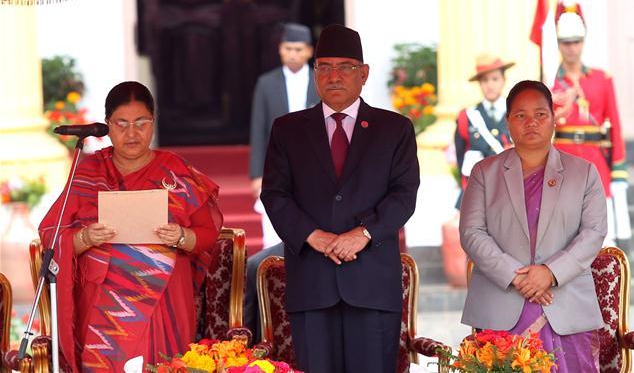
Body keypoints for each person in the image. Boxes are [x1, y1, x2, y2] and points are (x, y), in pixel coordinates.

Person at [260, 24, 419, 373]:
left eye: (345, 67)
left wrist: (363, 233)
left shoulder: (394, 129)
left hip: (372, 283)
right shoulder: (288, 129)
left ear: (364, 74)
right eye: (325, 67)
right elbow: (274, 194)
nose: (334, 76)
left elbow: (404, 194)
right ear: (315, 73)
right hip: (313, 281)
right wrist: (312, 235)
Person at [38, 81, 223, 371]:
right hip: (104, 307)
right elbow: (51, 234)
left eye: (141, 123)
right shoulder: (89, 172)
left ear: (153, 123)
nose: (132, 133)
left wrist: (181, 236)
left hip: (164, 299)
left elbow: (208, 235)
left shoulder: (176, 171)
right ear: (107, 125)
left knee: (163, 365)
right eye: (121, 124)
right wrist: (85, 238)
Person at [460, 80, 607, 372]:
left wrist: (550, 272)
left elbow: (593, 233)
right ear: (508, 122)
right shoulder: (485, 173)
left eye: (540, 114)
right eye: (520, 115)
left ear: (554, 118)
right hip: (500, 305)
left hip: (565, 305)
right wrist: (518, 278)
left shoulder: (584, 173)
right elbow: (471, 233)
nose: (531, 122)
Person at [244, 23, 319, 339]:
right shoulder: (267, 83)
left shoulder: (321, 81)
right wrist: (256, 174)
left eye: (299, 49)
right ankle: (270, 295)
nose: (293, 54)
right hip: (277, 168)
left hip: (314, 170)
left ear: (309, 51)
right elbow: (258, 128)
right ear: (280, 50)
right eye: (288, 49)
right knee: (271, 233)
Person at [549, 0, 630, 250]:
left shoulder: (601, 79)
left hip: (596, 162)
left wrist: (618, 170)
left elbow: (615, 124)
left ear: (583, 42)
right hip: (561, 162)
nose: (571, 47)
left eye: (576, 41)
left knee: (603, 239)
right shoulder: (549, 83)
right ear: (558, 44)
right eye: (566, 42)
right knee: (562, 237)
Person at [453, 53, 514, 202]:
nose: (490, 85)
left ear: (503, 80)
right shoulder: (467, 116)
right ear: (479, 83)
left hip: (512, 191)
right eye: (485, 80)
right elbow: (461, 156)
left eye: (495, 79)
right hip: (477, 192)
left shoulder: (518, 112)